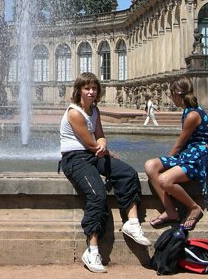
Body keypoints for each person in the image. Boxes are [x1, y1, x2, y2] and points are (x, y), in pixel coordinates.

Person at [59, 72, 150, 273]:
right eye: (87, 88)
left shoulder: (94, 110)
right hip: (74, 158)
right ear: (79, 91)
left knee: (127, 173)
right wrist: (101, 148)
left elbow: (99, 136)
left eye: (94, 88)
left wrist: (103, 144)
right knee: (97, 194)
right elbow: (89, 142)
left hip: (92, 155)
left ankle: (132, 223)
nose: (91, 92)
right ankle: (91, 251)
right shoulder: (74, 112)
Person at [144, 78, 208, 232]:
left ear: (175, 94)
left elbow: (179, 144)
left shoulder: (193, 115)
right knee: (150, 165)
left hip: (197, 159)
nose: (170, 98)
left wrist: (169, 161)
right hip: (188, 155)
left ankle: (194, 208)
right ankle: (171, 211)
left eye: (170, 94)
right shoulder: (188, 111)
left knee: (164, 180)